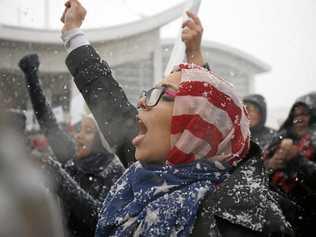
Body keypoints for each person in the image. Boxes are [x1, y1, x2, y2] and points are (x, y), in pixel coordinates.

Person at [60, 1, 293, 236]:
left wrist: (196, 60)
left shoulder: (246, 218)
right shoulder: (153, 173)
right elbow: (111, 105)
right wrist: (73, 33)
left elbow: (211, 107)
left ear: (196, 123)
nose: (141, 102)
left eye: (158, 94)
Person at [18, 54, 125, 237]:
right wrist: (31, 75)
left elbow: (100, 219)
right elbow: (47, 121)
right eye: (79, 130)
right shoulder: (72, 156)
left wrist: (61, 180)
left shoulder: (116, 173)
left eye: (88, 131)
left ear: (103, 140)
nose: (78, 136)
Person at [263, 98, 316, 237]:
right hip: (279, 217)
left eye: (305, 114)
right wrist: (270, 165)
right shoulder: (280, 139)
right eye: (295, 115)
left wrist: (297, 159)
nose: (299, 119)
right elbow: (257, 171)